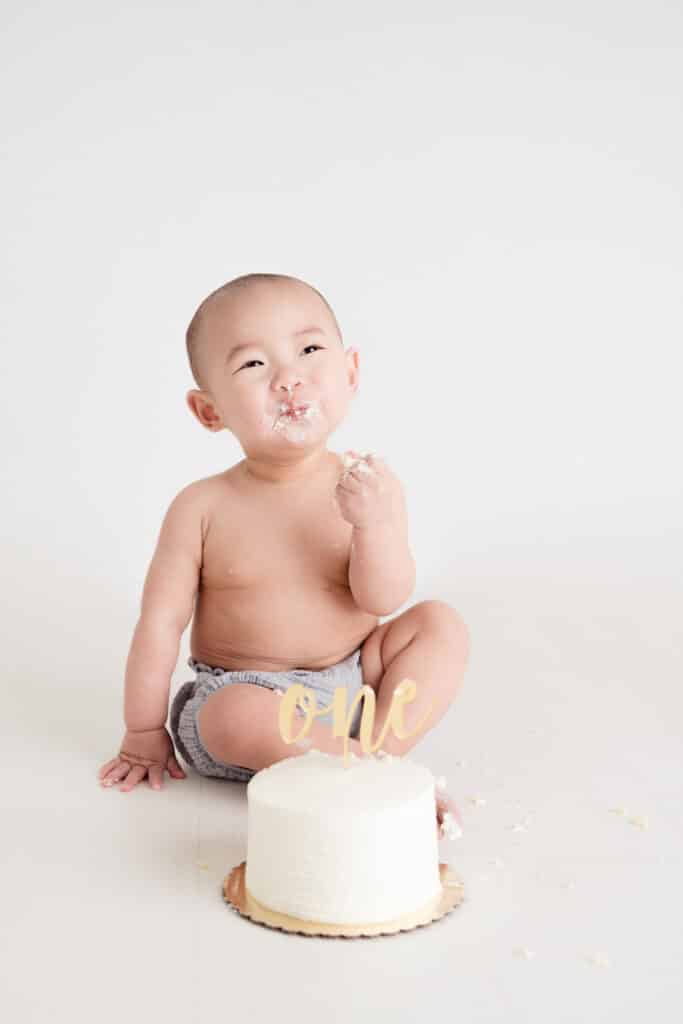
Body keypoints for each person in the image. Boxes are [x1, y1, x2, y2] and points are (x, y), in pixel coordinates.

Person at [97, 272, 470, 839]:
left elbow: (384, 598)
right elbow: (159, 624)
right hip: (249, 696)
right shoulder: (201, 506)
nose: (289, 378)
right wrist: (143, 731)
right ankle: (362, 771)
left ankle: (377, 759)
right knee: (229, 717)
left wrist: (373, 526)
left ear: (349, 373)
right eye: (253, 365)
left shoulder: (365, 486)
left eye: (309, 350)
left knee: (440, 624)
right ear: (209, 411)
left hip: (353, 682)